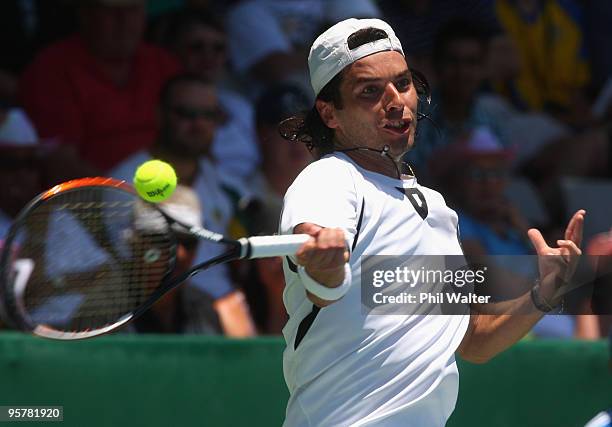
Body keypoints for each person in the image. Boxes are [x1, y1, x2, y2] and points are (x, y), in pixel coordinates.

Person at [279, 18, 585, 426]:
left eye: (403, 84)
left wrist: (543, 294)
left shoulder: (436, 209)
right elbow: (321, 278)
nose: (396, 102)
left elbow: (473, 340)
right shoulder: (330, 178)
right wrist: (324, 261)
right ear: (329, 113)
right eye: (370, 91)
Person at [111, 73, 255, 337]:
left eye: (208, 115)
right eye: (186, 113)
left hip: (218, 320)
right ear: (160, 115)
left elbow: (243, 270)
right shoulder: (119, 185)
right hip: (141, 315)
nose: (197, 124)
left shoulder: (231, 189)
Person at [20, 0, 179, 172]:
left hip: (171, 187)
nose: (124, 21)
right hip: (95, 195)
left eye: (133, 10)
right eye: (111, 12)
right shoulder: (52, 68)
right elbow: (60, 162)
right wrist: (122, 192)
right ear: (85, 15)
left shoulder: (163, 63)